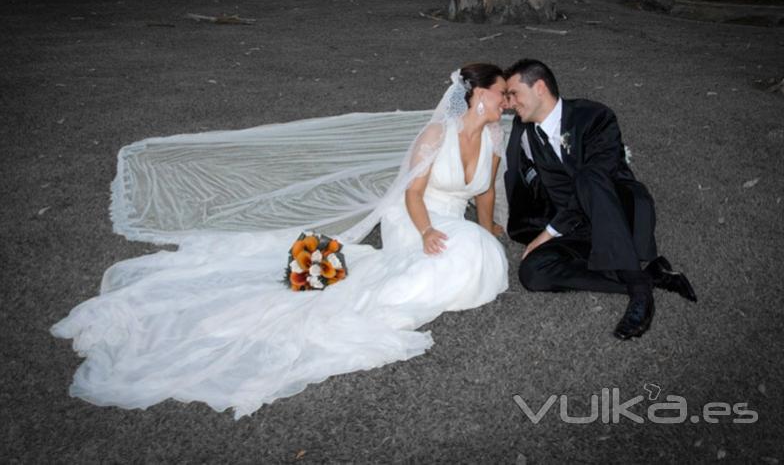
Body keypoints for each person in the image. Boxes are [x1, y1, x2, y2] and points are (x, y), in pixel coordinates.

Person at [51, 64, 510, 419]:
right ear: (477, 93)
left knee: (475, 251)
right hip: (415, 220)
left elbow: (486, 190)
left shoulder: (492, 135)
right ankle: (369, 276)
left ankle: (419, 267)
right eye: (501, 91)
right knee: (449, 257)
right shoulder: (436, 134)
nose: (507, 100)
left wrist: (488, 227)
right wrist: (427, 230)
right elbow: (412, 192)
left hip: (452, 222)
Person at [503, 59, 696, 340]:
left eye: (514, 94)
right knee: (532, 273)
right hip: (578, 224)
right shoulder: (527, 134)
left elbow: (598, 178)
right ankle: (647, 277)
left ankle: (640, 296)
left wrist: (549, 232)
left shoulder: (594, 116)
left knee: (588, 178)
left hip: (619, 210)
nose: (510, 103)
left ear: (540, 88)